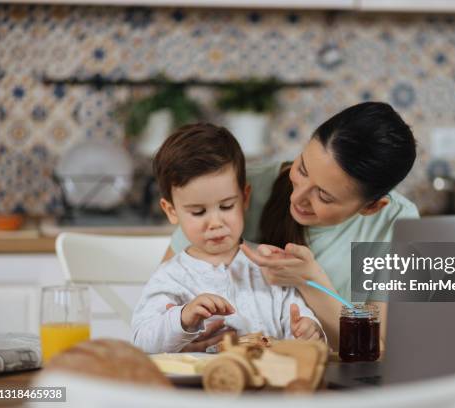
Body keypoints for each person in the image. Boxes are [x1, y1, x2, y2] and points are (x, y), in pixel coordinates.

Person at [166, 102, 418, 350]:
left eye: (325, 196)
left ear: (371, 207)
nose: (297, 198)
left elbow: (381, 348)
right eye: (303, 169)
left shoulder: (400, 222)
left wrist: (309, 281)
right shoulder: (232, 192)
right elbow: (163, 299)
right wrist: (182, 336)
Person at [132, 123, 324, 354]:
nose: (215, 223)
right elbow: (142, 341)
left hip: (268, 385)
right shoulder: (171, 277)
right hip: (198, 387)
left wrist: (308, 328)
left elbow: (297, 317)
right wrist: (182, 318)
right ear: (171, 210)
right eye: (198, 212)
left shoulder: (269, 264)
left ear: (244, 198)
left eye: (226, 206)